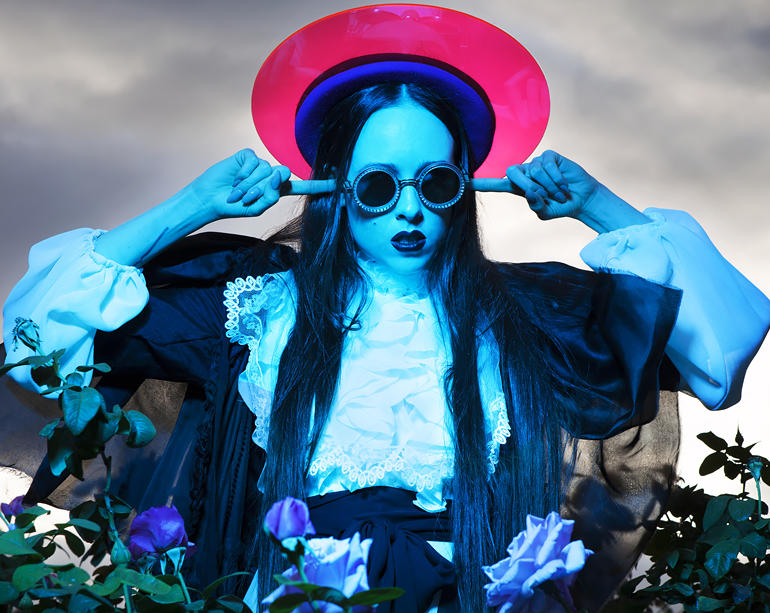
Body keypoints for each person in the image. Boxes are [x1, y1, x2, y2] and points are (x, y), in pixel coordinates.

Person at [3, 5, 770, 612]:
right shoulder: (259, 311)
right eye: (377, 186)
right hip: (301, 595)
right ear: (334, 191)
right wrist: (193, 205)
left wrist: (597, 204)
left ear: (465, 188)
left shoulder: (523, 316)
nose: (409, 209)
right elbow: (32, 340)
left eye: (435, 183)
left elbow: (718, 350)